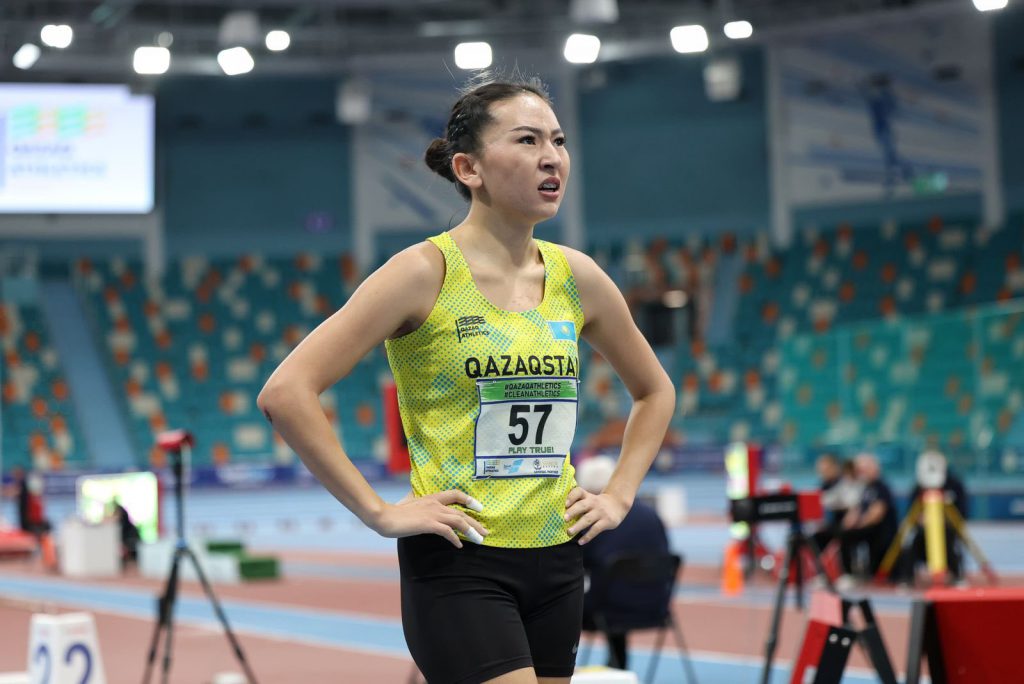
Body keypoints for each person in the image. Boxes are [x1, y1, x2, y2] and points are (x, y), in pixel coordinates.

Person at [257, 75, 676, 684]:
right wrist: (378, 512)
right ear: (468, 168)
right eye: (528, 140)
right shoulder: (421, 272)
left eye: (558, 141)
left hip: (558, 557)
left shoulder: (576, 277)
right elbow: (286, 391)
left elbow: (655, 390)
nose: (552, 157)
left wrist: (618, 495)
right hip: (461, 561)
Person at [576, 456, 670, 671]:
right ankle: (617, 665)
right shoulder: (651, 514)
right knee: (616, 586)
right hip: (656, 607)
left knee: (548, 605)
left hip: (606, 610)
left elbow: (577, 563)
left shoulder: (591, 518)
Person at [902, 450, 969, 584]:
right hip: (923, 532)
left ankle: (957, 576)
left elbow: (962, 512)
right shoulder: (918, 488)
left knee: (949, 544)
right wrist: (920, 519)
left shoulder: (954, 485)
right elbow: (911, 512)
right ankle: (906, 578)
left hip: (948, 530)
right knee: (910, 546)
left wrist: (942, 520)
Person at [837, 453, 897, 585]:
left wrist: (858, 525)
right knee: (842, 533)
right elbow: (857, 509)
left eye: (863, 470)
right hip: (867, 528)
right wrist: (848, 523)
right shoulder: (865, 488)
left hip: (881, 531)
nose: (861, 473)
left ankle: (851, 574)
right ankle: (848, 574)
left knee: (848, 535)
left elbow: (876, 514)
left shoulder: (881, 487)